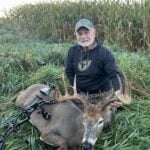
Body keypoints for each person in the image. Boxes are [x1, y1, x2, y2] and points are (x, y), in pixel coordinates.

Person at [65, 18, 124, 107]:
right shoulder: (72, 51)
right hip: (81, 95)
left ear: (94, 32)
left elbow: (115, 74)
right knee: (76, 117)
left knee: (101, 119)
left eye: (86, 32)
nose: (83, 37)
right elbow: (69, 72)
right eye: (80, 33)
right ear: (76, 35)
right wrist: (76, 90)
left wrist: (119, 92)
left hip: (102, 95)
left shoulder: (104, 53)